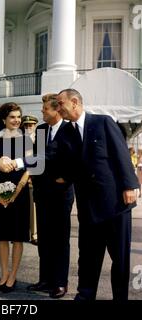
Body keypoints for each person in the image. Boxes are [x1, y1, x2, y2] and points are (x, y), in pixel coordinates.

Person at [56, 88, 139, 301]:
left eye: (60, 103)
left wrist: (130, 186)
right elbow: (57, 158)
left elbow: (121, 153)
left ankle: (120, 297)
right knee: (88, 255)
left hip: (115, 204)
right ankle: (85, 295)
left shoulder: (102, 122)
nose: (58, 109)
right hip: (88, 206)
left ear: (74, 102)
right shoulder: (65, 132)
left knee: (119, 258)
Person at [26, 93, 74, 299]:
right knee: (44, 238)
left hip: (62, 194)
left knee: (60, 239)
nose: (42, 112)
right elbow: (38, 159)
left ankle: (60, 283)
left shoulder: (70, 129)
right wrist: (34, 179)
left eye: (45, 109)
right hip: (42, 191)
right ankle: (45, 280)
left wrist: (67, 177)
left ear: (56, 110)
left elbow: (75, 157)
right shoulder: (41, 129)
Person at [0, 102, 33, 293]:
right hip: (0, 194)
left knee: (18, 237)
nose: (16, 120)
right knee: (2, 236)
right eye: (12, 117)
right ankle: (4, 274)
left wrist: (17, 191)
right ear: (4, 119)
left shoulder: (27, 141)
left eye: (18, 116)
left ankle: (13, 275)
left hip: (20, 194)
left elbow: (30, 166)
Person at [20, 115, 39, 245]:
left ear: (35, 125)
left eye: (31, 125)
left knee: (33, 208)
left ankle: (34, 234)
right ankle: (21, 233)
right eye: (26, 125)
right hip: (19, 176)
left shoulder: (38, 140)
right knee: (20, 206)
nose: (28, 127)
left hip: (32, 177)